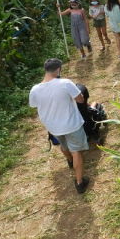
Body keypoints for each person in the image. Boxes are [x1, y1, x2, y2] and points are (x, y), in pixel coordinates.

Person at [29, 58, 90, 193]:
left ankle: (69, 160)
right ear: (58, 70)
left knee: (63, 146)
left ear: (45, 70)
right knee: (76, 151)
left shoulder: (34, 90)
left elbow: (35, 105)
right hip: (71, 125)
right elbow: (81, 99)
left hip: (52, 127)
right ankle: (80, 183)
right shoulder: (65, 83)